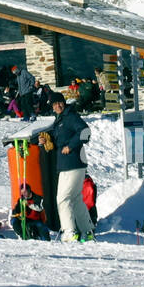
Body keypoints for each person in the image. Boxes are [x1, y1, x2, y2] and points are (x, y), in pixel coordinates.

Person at [51, 94, 95, 242]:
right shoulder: (60, 120)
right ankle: (87, 231)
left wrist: (71, 146)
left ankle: (70, 232)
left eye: (59, 103)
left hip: (73, 163)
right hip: (66, 165)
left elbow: (85, 132)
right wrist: (46, 140)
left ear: (64, 103)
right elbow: (60, 137)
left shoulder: (70, 117)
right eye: (54, 104)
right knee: (75, 199)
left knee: (63, 198)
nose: (57, 106)